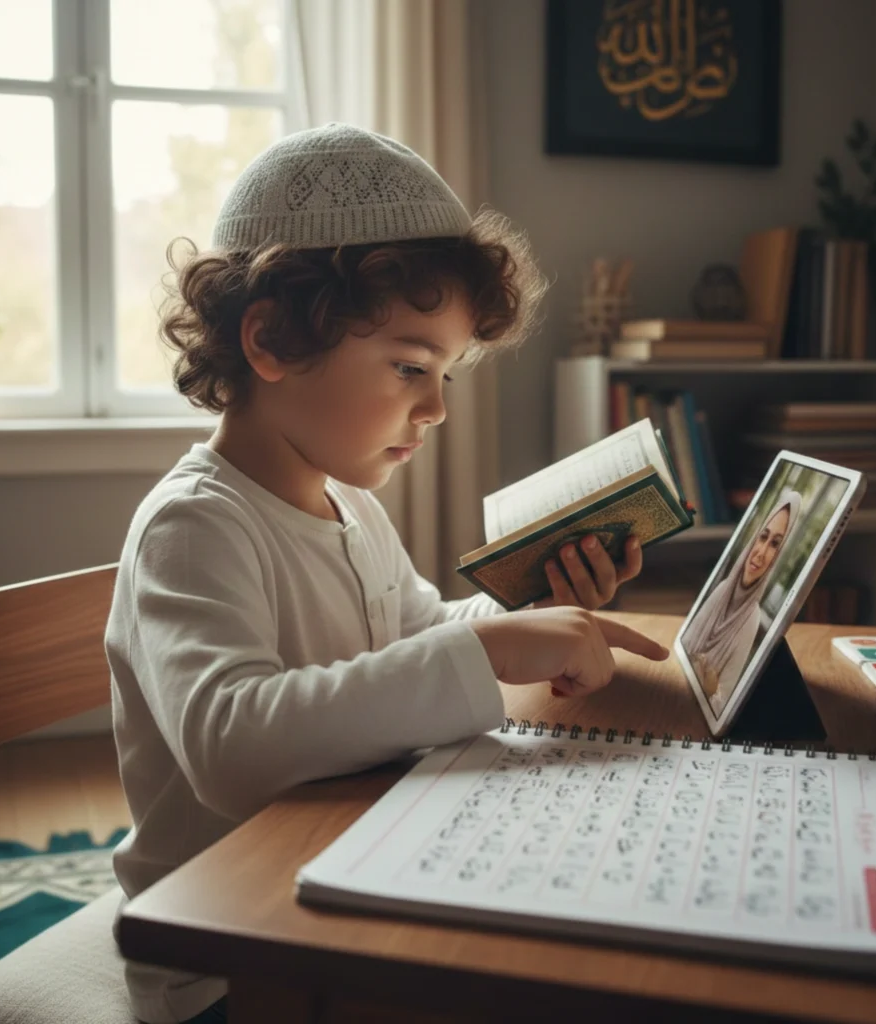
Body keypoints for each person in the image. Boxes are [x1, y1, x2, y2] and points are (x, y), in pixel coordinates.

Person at [104, 123, 669, 1024]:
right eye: (411, 365)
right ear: (272, 342)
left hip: (347, 881)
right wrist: (486, 651)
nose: (438, 407)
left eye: (443, 372)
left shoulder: (349, 504)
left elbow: (408, 631)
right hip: (228, 961)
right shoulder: (195, 524)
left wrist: (527, 611)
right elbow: (231, 744)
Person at [685, 487, 802, 716]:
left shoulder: (750, 618)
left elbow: (722, 704)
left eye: (775, 544)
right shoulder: (722, 590)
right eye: (763, 537)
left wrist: (708, 687)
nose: (761, 552)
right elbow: (685, 649)